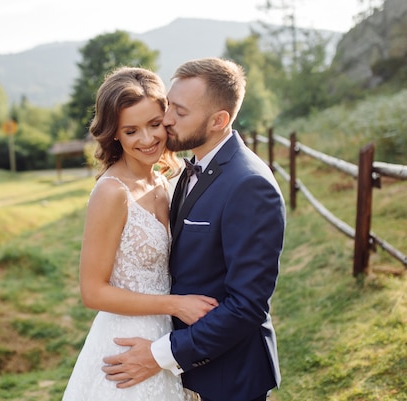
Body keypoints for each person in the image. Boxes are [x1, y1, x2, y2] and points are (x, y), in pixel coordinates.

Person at [101, 57, 286, 401]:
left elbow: (246, 306)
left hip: (228, 377)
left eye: (180, 113)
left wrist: (159, 355)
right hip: (183, 368)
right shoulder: (191, 168)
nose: (166, 120)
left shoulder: (249, 185)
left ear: (219, 120)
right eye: (170, 105)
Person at [61, 66, 219, 401]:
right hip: (127, 345)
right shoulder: (111, 192)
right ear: (114, 133)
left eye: (154, 124)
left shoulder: (162, 181)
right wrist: (176, 304)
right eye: (131, 130)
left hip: (165, 341)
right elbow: (92, 292)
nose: (147, 140)